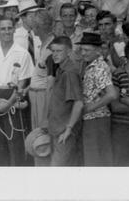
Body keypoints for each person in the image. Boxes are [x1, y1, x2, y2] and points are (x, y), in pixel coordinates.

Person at [0, 16, 34, 166]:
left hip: (14, 97)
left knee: (16, 140)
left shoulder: (22, 53)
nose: (6, 32)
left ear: (14, 29)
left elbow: (23, 82)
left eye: (9, 28)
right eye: (3, 28)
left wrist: (9, 102)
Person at [76, 32, 118, 166]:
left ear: (98, 50)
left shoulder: (99, 67)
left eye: (87, 50)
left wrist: (89, 108)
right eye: (82, 49)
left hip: (96, 118)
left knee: (95, 159)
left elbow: (112, 94)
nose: (83, 53)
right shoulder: (90, 65)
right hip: (92, 119)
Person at [46, 36, 84, 166]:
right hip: (57, 128)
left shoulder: (69, 72)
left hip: (64, 131)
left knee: (57, 168)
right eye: (53, 51)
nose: (55, 55)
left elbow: (78, 103)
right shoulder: (60, 68)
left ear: (69, 52)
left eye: (59, 51)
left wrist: (68, 129)